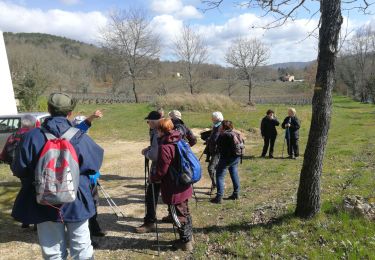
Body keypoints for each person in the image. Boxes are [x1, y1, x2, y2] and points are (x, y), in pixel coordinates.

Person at [11, 92, 104, 260]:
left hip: (43, 199)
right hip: (76, 199)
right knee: (81, 248)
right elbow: (94, 164)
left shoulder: (31, 136)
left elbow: (19, 169)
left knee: (52, 251)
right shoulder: (79, 136)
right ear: (70, 113)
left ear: (49, 109)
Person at [150, 118, 194, 251]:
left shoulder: (165, 147)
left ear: (160, 130)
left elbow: (162, 170)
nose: (155, 132)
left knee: (178, 215)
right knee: (185, 211)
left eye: (156, 129)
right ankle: (189, 237)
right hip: (184, 183)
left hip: (174, 188)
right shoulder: (178, 139)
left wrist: (153, 177)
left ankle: (185, 242)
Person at [72, 111, 106, 241]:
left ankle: (95, 228)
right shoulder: (74, 139)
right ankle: (88, 237)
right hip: (81, 180)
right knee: (86, 206)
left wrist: (95, 172)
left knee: (94, 203)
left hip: (90, 178)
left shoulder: (85, 137)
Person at [0, 115, 37, 229]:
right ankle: (34, 221)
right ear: (34, 124)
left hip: (17, 169)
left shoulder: (13, 135)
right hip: (31, 169)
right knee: (34, 193)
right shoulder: (33, 135)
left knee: (27, 190)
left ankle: (25, 221)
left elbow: (4, 154)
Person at [135, 111, 162, 233]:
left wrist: (146, 152)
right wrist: (150, 148)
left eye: (148, 121)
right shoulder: (167, 129)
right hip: (170, 170)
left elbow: (155, 155)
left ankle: (149, 223)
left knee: (151, 195)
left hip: (159, 170)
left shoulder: (157, 133)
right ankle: (173, 217)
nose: (148, 123)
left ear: (154, 121)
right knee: (171, 196)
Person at [211, 120, 241, 204]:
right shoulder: (234, 133)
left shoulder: (223, 135)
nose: (219, 127)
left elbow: (217, 145)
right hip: (236, 157)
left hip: (226, 158)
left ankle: (219, 197)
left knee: (219, 176)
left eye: (221, 126)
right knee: (234, 173)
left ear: (223, 127)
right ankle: (236, 193)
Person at [206, 111, 224, 194]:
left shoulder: (219, 126)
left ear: (216, 119)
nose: (211, 119)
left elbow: (215, 138)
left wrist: (209, 140)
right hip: (214, 150)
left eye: (213, 118)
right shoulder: (216, 126)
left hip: (217, 151)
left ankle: (215, 185)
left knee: (211, 168)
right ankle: (216, 185)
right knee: (216, 168)